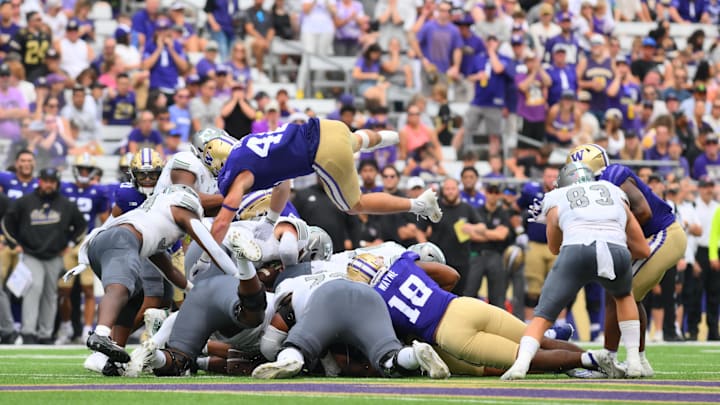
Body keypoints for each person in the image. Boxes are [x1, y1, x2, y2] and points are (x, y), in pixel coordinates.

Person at [346, 250, 601, 378]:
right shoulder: (402, 262)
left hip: (449, 333)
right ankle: (598, 359)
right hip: (463, 305)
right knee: (535, 339)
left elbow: (398, 335)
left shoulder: (373, 300)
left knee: (524, 360)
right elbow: (451, 275)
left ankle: (585, 361)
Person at [502, 162, 650, 380]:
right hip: (616, 248)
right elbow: (642, 249)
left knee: (542, 316)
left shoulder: (557, 195)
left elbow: (553, 247)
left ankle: (520, 365)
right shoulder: (613, 190)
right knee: (624, 296)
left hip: (576, 249)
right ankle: (634, 362)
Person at [205, 118, 442, 249]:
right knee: (355, 140)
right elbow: (283, 184)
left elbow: (222, 222)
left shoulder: (239, 176)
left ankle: (419, 204)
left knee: (354, 205)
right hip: (327, 127)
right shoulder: (246, 143)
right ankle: (390, 137)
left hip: (323, 153)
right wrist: (269, 222)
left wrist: (208, 256)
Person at [567, 143, 687, 377]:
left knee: (620, 292)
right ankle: (637, 360)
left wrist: (619, 235)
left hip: (663, 233)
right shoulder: (599, 185)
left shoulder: (612, 176)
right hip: (654, 236)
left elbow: (643, 212)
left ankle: (614, 358)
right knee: (629, 296)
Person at [253, 271, 450, 379]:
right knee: (388, 358)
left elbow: (270, 342)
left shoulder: (288, 286)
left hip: (329, 296)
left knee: (298, 344)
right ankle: (414, 354)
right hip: (370, 296)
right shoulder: (334, 264)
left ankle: (291, 359)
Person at [1, 167, 86, 344]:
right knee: (34, 288)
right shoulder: (25, 202)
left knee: (50, 294)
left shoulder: (66, 204)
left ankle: (45, 334)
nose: (48, 185)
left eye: (52, 182)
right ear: (39, 181)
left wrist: (70, 244)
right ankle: (28, 332)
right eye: (45, 181)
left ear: (57, 183)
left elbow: (81, 226)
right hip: (31, 254)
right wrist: (14, 244)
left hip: (55, 255)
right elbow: (7, 222)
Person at [56, 154, 110, 344]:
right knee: (64, 290)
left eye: (88, 170)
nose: (84, 173)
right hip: (65, 242)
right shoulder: (63, 188)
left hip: (86, 242)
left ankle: (87, 328)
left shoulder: (98, 192)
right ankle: (66, 326)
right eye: (81, 169)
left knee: (88, 289)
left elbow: (106, 220)